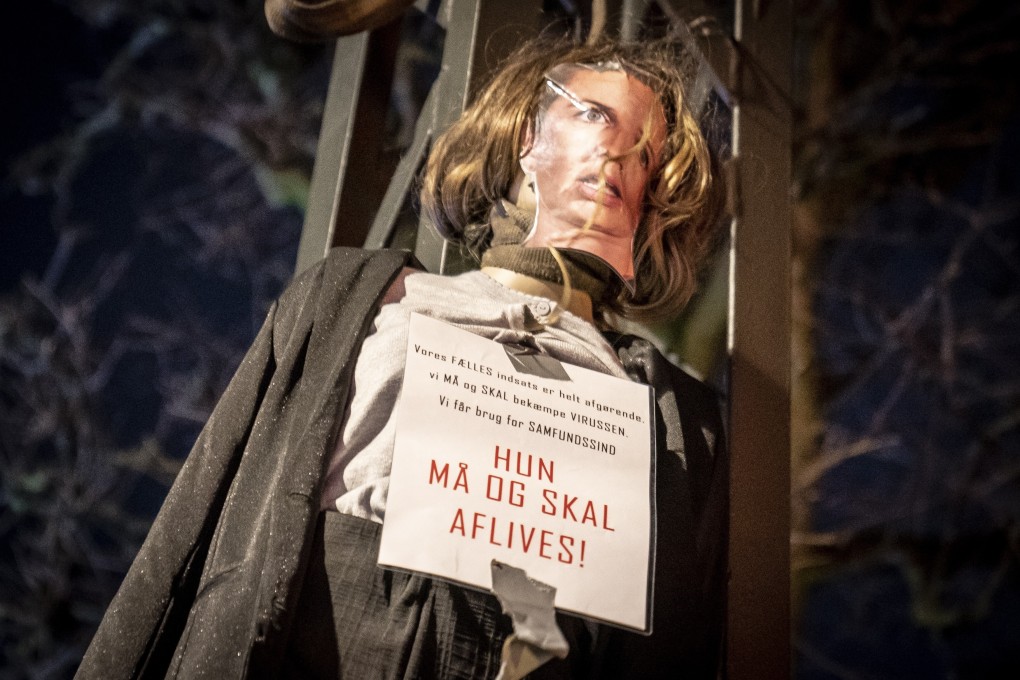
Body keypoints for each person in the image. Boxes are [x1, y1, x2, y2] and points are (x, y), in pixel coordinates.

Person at [77, 34, 727, 680]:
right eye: (594, 116)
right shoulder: (359, 300)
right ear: (526, 138)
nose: (618, 152)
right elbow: (189, 535)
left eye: (646, 149)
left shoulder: (665, 409)